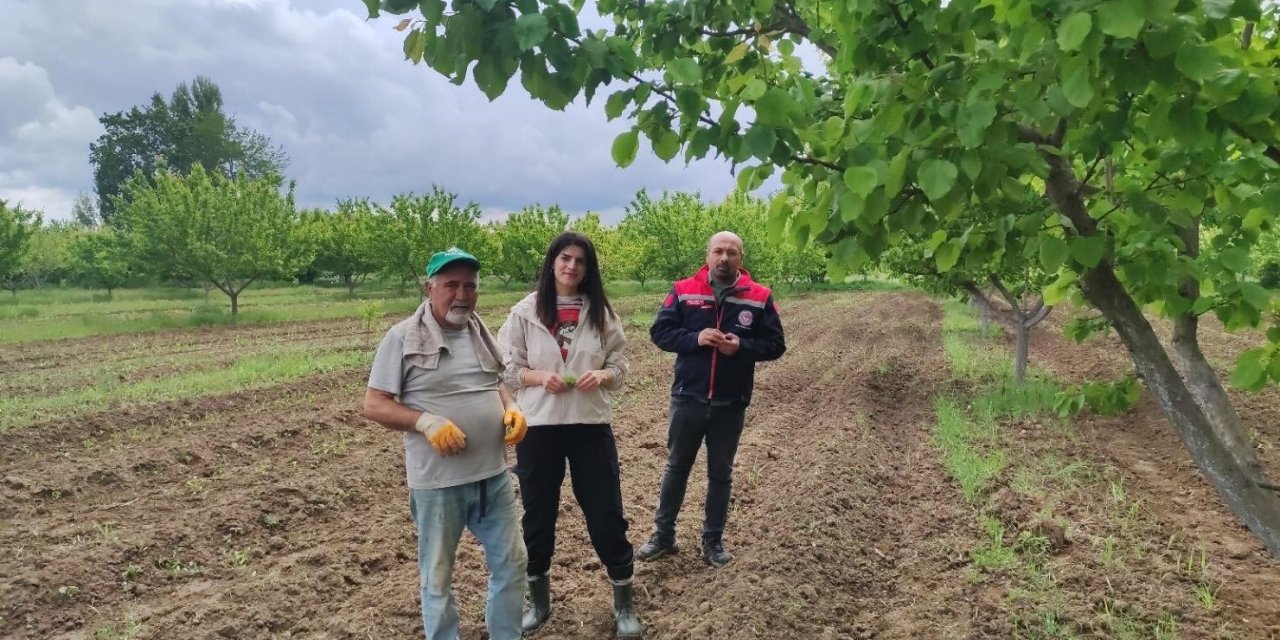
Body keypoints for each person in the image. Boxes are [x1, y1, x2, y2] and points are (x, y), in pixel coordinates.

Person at [362, 247, 530, 640]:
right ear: (430, 287)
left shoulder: (480, 333)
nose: (462, 294)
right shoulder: (402, 337)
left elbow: (496, 381)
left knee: (512, 563)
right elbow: (374, 404)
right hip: (438, 484)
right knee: (437, 577)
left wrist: (512, 407)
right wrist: (424, 420)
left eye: (470, 286)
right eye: (451, 285)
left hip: (493, 476)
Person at [496, 231, 642, 638]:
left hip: (589, 426)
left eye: (580, 260)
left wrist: (606, 374)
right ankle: (538, 601)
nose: (571, 266)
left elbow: (621, 362)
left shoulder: (600, 312)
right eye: (564, 258)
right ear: (552, 262)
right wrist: (539, 376)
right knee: (538, 516)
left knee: (606, 513)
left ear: (587, 268)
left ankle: (624, 603)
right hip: (538, 428)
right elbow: (505, 368)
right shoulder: (524, 312)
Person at [637, 231, 786, 568]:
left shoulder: (760, 297)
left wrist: (741, 347)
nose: (724, 258)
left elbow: (776, 345)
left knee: (721, 474)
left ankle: (712, 541)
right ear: (707, 256)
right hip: (688, 397)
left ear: (741, 259)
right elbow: (659, 332)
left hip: (730, 403)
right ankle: (663, 536)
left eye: (731, 252)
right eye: (718, 251)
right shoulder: (683, 290)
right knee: (676, 468)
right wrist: (696, 338)